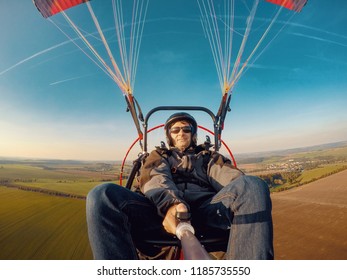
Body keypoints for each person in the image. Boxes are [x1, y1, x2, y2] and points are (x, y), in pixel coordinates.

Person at [86, 112, 274, 259]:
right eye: (175, 130)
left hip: (206, 212)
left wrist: (246, 192)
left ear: (193, 134)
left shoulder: (209, 158)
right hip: (159, 213)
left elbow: (231, 179)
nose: (181, 133)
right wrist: (171, 204)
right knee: (102, 195)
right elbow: (156, 178)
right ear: (169, 135)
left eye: (186, 129)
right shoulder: (158, 156)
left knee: (253, 186)